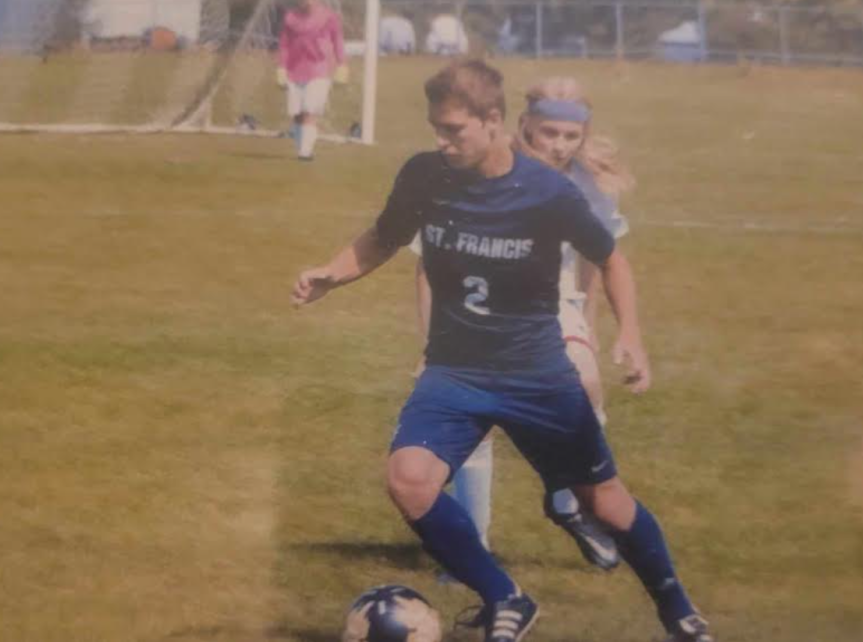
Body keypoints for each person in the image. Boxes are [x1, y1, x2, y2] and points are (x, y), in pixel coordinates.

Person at [291, 60, 712, 642]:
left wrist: (631, 335)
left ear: (492, 122)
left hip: (536, 374)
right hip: (455, 372)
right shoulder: (424, 175)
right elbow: (384, 238)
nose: (442, 140)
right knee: (409, 478)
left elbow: (611, 257)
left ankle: (679, 613)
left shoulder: (547, 192)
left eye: (454, 130)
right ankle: (505, 596)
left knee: (608, 505)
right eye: (438, 127)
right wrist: (330, 274)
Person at [411, 76, 636, 573]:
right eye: (547, 132)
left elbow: (596, 260)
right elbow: (428, 266)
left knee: (585, 383)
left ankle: (567, 499)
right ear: (522, 125)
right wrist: (429, 344)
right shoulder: (478, 168)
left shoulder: (585, 184)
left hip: (547, 303)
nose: (558, 145)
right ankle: (470, 551)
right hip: (470, 310)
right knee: (475, 427)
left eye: (569, 136)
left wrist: (593, 323)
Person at [275, 0, 347, 161]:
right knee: (297, 114)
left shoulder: (329, 17)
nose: (309, 1)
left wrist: (342, 64)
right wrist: (281, 67)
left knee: (309, 111)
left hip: (319, 70)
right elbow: (284, 44)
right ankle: (302, 149)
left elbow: (337, 40)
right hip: (294, 71)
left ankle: (305, 153)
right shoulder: (290, 17)